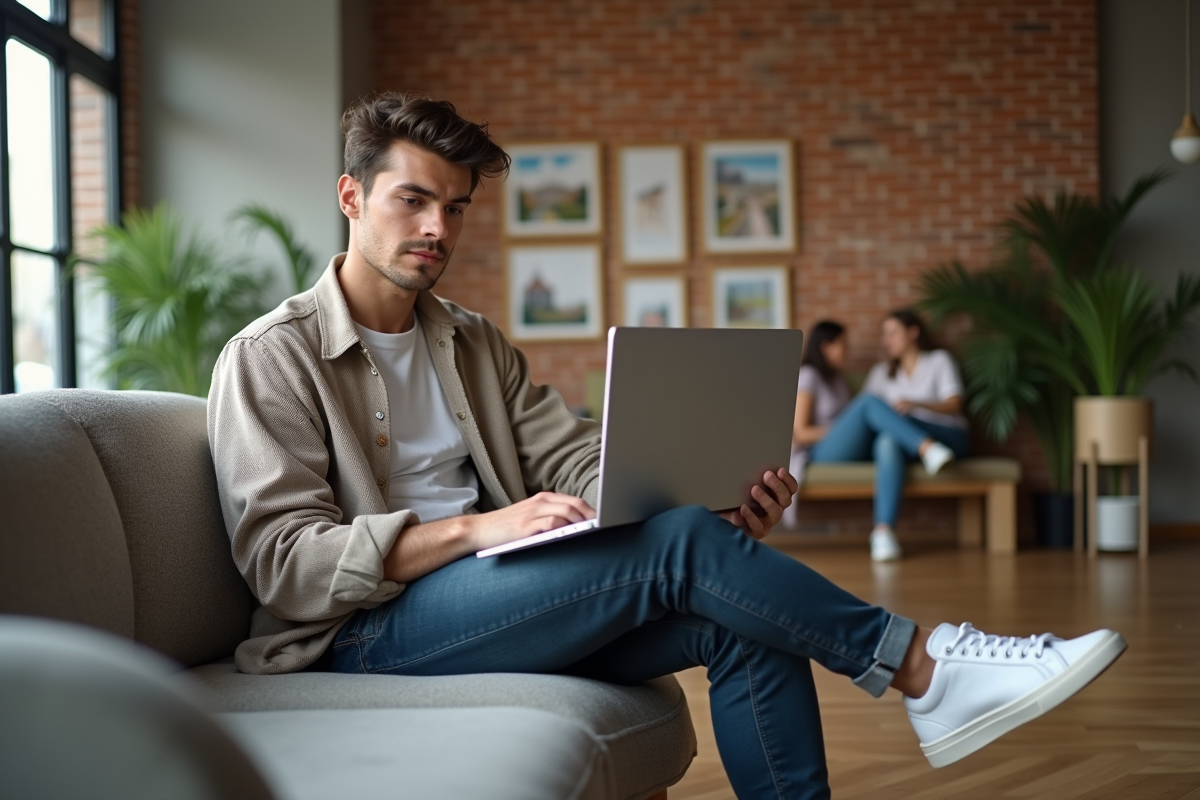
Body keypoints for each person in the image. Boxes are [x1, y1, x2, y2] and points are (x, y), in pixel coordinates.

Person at [207, 92, 1125, 800]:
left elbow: (572, 460)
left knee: (740, 615)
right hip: (369, 633)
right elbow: (285, 564)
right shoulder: (271, 357)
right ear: (351, 196)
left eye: (455, 206)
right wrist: (482, 529)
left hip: (493, 600)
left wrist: (697, 499)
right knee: (685, 549)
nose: (438, 229)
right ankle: (927, 667)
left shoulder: (471, 340)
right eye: (413, 201)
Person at [799, 311, 968, 562]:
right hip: (824, 447)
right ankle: (927, 448)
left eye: (892, 333)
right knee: (871, 408)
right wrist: (844, 428)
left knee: (887, 438)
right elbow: (803, 431)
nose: (885, 340)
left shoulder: (938, 360)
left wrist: (914, 405)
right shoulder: (877, 374)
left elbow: (955, 403)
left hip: (943, 431)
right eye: (883, 334)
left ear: (913, 332)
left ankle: (883, 533)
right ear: (825, 346)